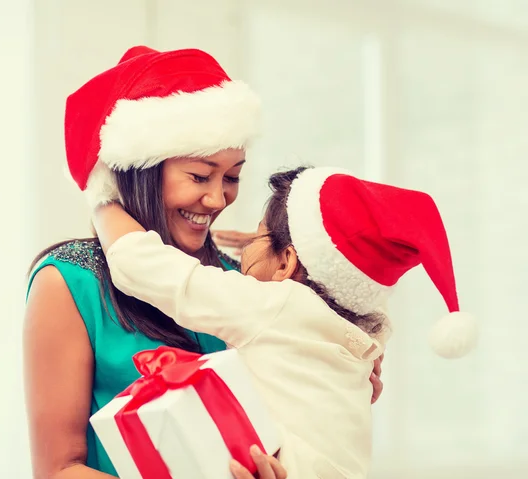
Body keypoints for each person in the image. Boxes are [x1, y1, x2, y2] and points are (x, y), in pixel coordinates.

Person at [23, 46, 384, 479]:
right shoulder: (70, 283)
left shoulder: (241, 283)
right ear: (141, 171)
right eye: (199, 175)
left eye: (232, 177)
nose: (217, 199)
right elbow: (58, 470)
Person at [91, 166, 477, 478]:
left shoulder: (275, 306)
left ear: (288, 262)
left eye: (259, 234)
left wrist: (104, 201)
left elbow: (151, 271)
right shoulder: (362, 333)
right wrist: (264, 247)